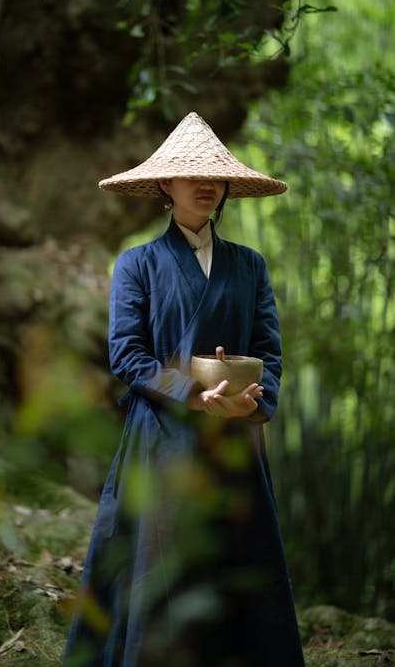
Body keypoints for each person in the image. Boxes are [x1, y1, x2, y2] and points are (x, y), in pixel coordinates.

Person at [64, 112, 305, 667]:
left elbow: (269, 353)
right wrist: (191, 394)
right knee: (160, 563)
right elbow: (126, 354)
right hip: (161, 435)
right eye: (190, 174)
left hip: (235, 441)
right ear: (165, 186)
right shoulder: (137, 264)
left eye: (214, 177)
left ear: (225, 190)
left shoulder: (250, 265)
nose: (205, 185)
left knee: (235, 565)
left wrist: (252, 401)